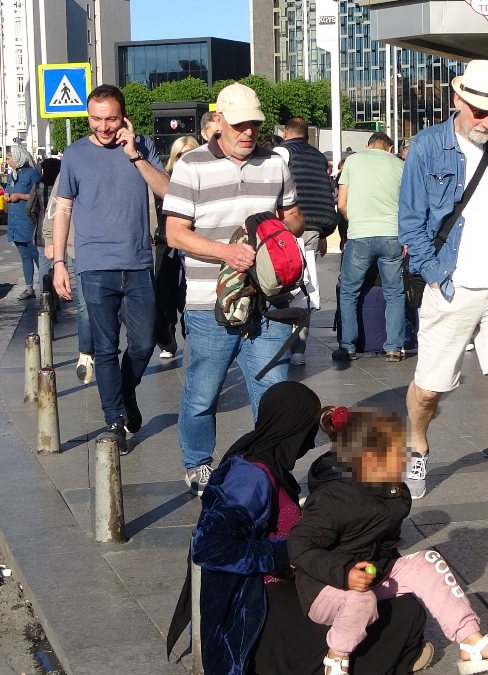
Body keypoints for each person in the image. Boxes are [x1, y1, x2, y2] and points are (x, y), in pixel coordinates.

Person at [190, 382, 431, 675]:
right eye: (307, 430)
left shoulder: (267, 461)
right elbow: (210, 548)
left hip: (296, 578)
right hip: (259, 600)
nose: (307, 442)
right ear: (292, 428)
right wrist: (291, 551)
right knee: (397, 614)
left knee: (395, 601)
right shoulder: (249, 478)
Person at [397, 59, 488, 524]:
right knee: (429, 392)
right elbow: (411, 223)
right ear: (458, 100)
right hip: (453, 283)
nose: (487, 122)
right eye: (480, 111)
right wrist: (436, 274)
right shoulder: (426, 147)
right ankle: (418, 444)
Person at [289, 405, 488, 675]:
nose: (405, 459)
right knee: (362, 600)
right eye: (395, 454)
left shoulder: (395, 492)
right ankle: (336, 660)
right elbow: (299, 547)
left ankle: (470, 641)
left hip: (373, 572)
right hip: (324, 587)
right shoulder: (332, 500)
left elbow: (385, 542)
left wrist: (383, 567)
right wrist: (345, 573)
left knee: (429, 560)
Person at [162, 82, 304, 496]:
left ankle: (271, 469)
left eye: (254, 125)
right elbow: (173, 233)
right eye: (239, 124)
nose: (248, 133)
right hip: (210, 304)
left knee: (273, 391)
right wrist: (226, 251)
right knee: (203, 392)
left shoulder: (276, 163)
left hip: (269, 300)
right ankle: (198, 464)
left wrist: (271, 231)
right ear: (218, 121)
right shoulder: (192, 164)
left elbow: (294, 217)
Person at [51, 84, 171, 455]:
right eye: (96, 119)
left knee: (144, 343)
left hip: (137, 264)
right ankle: (114, 420)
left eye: (111, 119)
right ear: (88, 117)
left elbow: (167, 190)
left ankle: (123, 391)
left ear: (124, 117)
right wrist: (58, 262)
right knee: (104, 347)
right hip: (94, 266)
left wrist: (135, 156)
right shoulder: (74, 155)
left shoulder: (143, 147)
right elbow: (63, 209)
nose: (103, 127)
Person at [334, 131, 407, 362]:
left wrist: (354, 219)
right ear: (389, 147)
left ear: (368, 145)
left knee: (349, 292)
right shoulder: (400, 165)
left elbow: (342, 203)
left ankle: (348, 346)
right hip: (392, 235)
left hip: (360, 235)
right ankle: (394, 347)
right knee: (394, 292)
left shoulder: (353, 161)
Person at [275, 117, 337, 367]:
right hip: (313, 227)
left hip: (286, 225)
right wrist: (324, 232)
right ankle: (299, 348)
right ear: (307, 135)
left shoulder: (281, 152)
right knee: (305, 283)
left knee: (281, 282)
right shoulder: (318, 157)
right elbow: (323, 192)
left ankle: (281, 342)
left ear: (286, 133)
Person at [41, 174, 94, 384]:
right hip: (79, 248)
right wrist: (49, 238)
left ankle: (106, 352)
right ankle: (87, 352)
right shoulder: (76, 160)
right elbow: (57, 203)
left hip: (115, 250)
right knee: (84, 305)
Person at [155, 135, 198, 360]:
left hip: (193, 243)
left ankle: (190, 335)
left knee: (188, 296)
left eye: (190, 153)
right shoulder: (165, 180)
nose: (185, 158)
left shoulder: (202, 178)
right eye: (181, 154)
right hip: (165, 243)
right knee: (165, 295)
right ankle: (167, 342)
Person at [3, 144, 43, 300]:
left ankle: (46, 288)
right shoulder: (11, 175)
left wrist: (20, 196)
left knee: (36, 256)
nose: (7, 161)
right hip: (14, 222)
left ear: (18, 157)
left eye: (9, 158)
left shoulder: (32, 174)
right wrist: (7, 196)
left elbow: (37, 195)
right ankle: (28, 288)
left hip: (28, 221)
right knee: (24, 256)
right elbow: (8, 191)